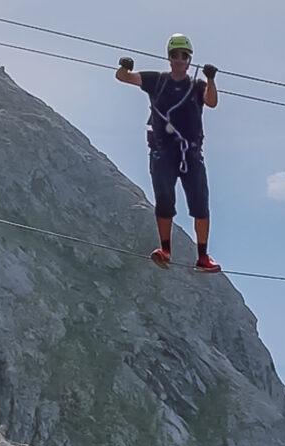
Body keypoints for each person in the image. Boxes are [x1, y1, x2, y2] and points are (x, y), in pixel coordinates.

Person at [116, 34, 221, 272]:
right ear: (169, 57)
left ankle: (203, 257)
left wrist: (211, 79)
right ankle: (165, 250)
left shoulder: (197, 86)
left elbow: (212, 102)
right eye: (175, 55)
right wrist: (124, 67)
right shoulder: (157, 80)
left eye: (183, 55)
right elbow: (124, 78)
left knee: (200, 204)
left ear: (189, 59)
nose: (179, 59)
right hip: (162, 151)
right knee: (165, 200)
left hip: (191, 153)